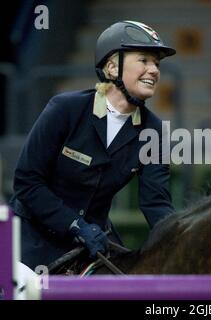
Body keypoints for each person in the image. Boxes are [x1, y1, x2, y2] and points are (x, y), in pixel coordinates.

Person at [9, 20, 176, 270]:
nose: (154, 70)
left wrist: (181, 238)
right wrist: (75, 225)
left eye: (157, 64)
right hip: (31, 239)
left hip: (93, 244)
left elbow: (156, 204)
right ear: (111, 67)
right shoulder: (65, 109)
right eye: (144, 60)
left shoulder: (155, 132)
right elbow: (27, 182)